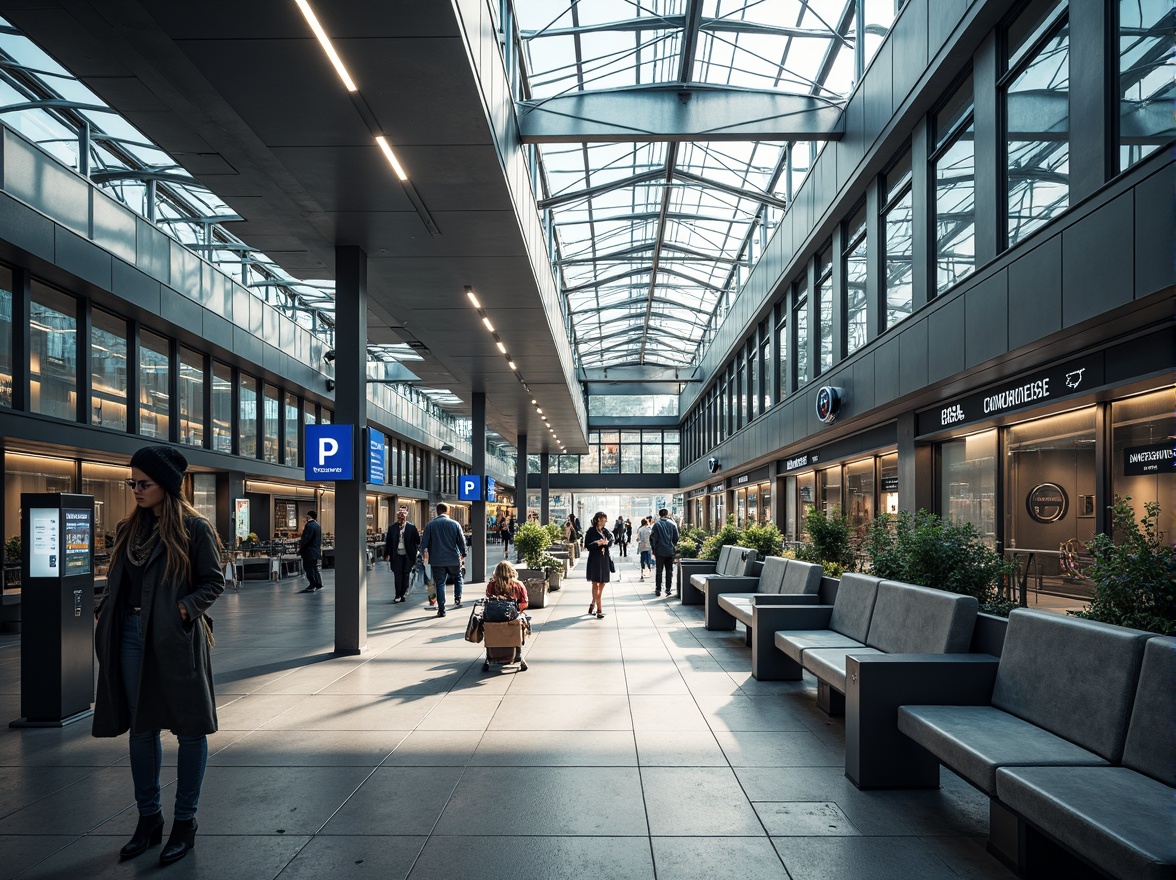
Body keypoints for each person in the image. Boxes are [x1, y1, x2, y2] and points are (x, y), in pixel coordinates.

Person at [92, 446, 224, 866]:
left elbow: (213, 582)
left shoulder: (194, 528)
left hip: (175, 637)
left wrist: (182, 610)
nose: (135, 490)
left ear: (166, 485)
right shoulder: (128, 529)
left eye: (143, 483)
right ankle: (148, 818)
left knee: (189, 729)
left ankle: (185, 822)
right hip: (130, 635)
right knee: (141, 727)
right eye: (131, 482)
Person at [420, 502, 466, 617]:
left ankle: (441, 609)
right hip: (453, 558)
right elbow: (461, 541)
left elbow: (423, 543)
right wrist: (463, 553)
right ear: (447, 511)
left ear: (437, 511)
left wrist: (423, 555)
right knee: (458, 577)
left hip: (437, 560)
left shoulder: (430, 525)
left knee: (440, 583)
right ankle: (457, 598)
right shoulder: (455, 524)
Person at [483, 560, 529, 672]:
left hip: (493, 617)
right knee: (525, 624)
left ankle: (490, 655)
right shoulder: (517, 585)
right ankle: (517, 652)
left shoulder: (492, 584)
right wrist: (519, 611)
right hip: (511, 616)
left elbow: (489, 599)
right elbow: (525, 602)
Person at [384, 506, 420, 603]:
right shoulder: (392, 528)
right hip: (396, 554)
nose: (401, 519)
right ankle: (397, 594)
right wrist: (387, 553)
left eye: (403, 517)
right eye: (399, 517)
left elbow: (417, 540)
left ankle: (403, 593)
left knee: (406, 574)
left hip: (408, 555)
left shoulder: (411, 527)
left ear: (406, 517)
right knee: (397, 574)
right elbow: (389, 542)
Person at [584, 511, 613, 619]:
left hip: (604, 558)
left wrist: (607, 542)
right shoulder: (591, 531)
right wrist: (598, 543)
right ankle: (599, 609)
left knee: (602, 582)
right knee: (595, 583)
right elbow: (587, 545)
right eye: (602, 520)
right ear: (597, 520)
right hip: (595, 559)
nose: (603, 522)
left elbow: (611, 539)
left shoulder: (605, 531)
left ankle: (593, 602)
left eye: (605, 520)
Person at [650, 508, 680, 598]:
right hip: (670, 551)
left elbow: (652, 538)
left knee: (659, 571)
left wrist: (654, 549)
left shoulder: (656, 525)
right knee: (669, 571)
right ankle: (668, 589)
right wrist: (672, 545)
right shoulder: (672, 524)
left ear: (659, 515)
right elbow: (676, 538)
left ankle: (658, 588)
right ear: (667, 514)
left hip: (659, 551)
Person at [298, 510, 323, 592]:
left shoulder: (309, 525)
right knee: (314, 567)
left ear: (309, 516)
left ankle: (312, 584)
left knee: (308, 568)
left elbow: (306, 538)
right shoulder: (318, 526)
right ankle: (318, 583)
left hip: (309, 551)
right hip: (316, 550)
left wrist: (300, 547)